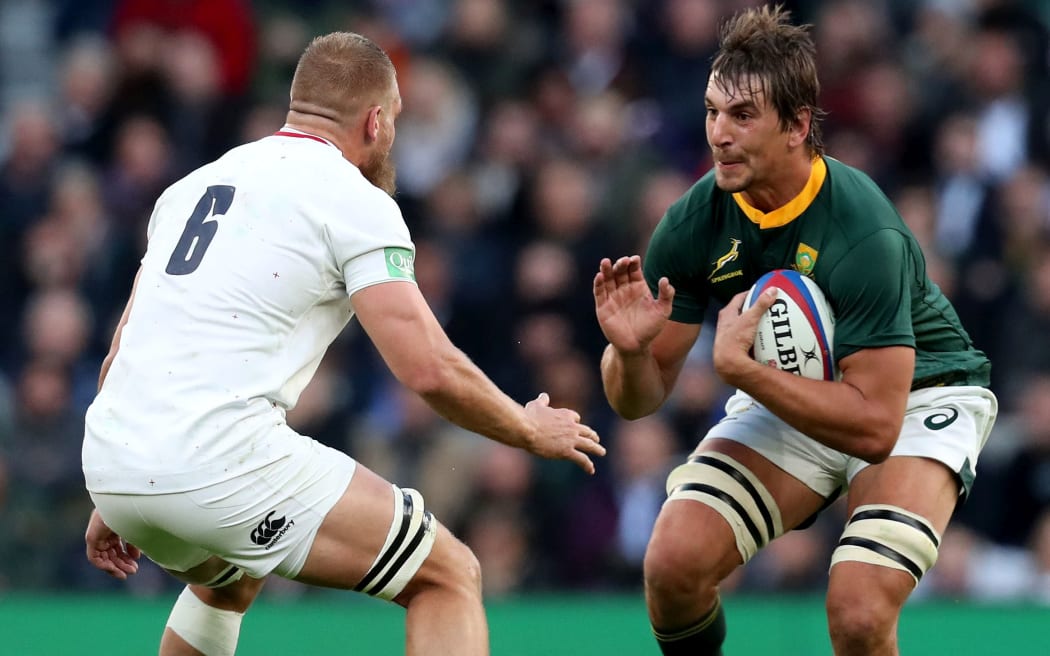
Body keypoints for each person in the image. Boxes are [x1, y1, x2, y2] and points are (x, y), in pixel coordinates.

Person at [82, 31, 604, 656]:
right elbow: (428, 369)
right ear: (376, 120)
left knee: (229, 580)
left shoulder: (193, 187)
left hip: (114, 459)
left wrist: (123, 488)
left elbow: (125, 347)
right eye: (396, 123)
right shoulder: (354, 199)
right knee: (447, 575)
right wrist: (525, 427)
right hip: (211, 464)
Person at [593, 6, 997, 656]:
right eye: (712, 112)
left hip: (919, 394)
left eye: (742, 116)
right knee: (672, 565)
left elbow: (874, 428)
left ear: (798, 126)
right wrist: (629, 351)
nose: (718, 134)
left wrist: (746, 374)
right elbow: (635, 402)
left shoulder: (863, 231)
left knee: (859, 613)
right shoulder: (693, 222)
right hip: (793, 386)